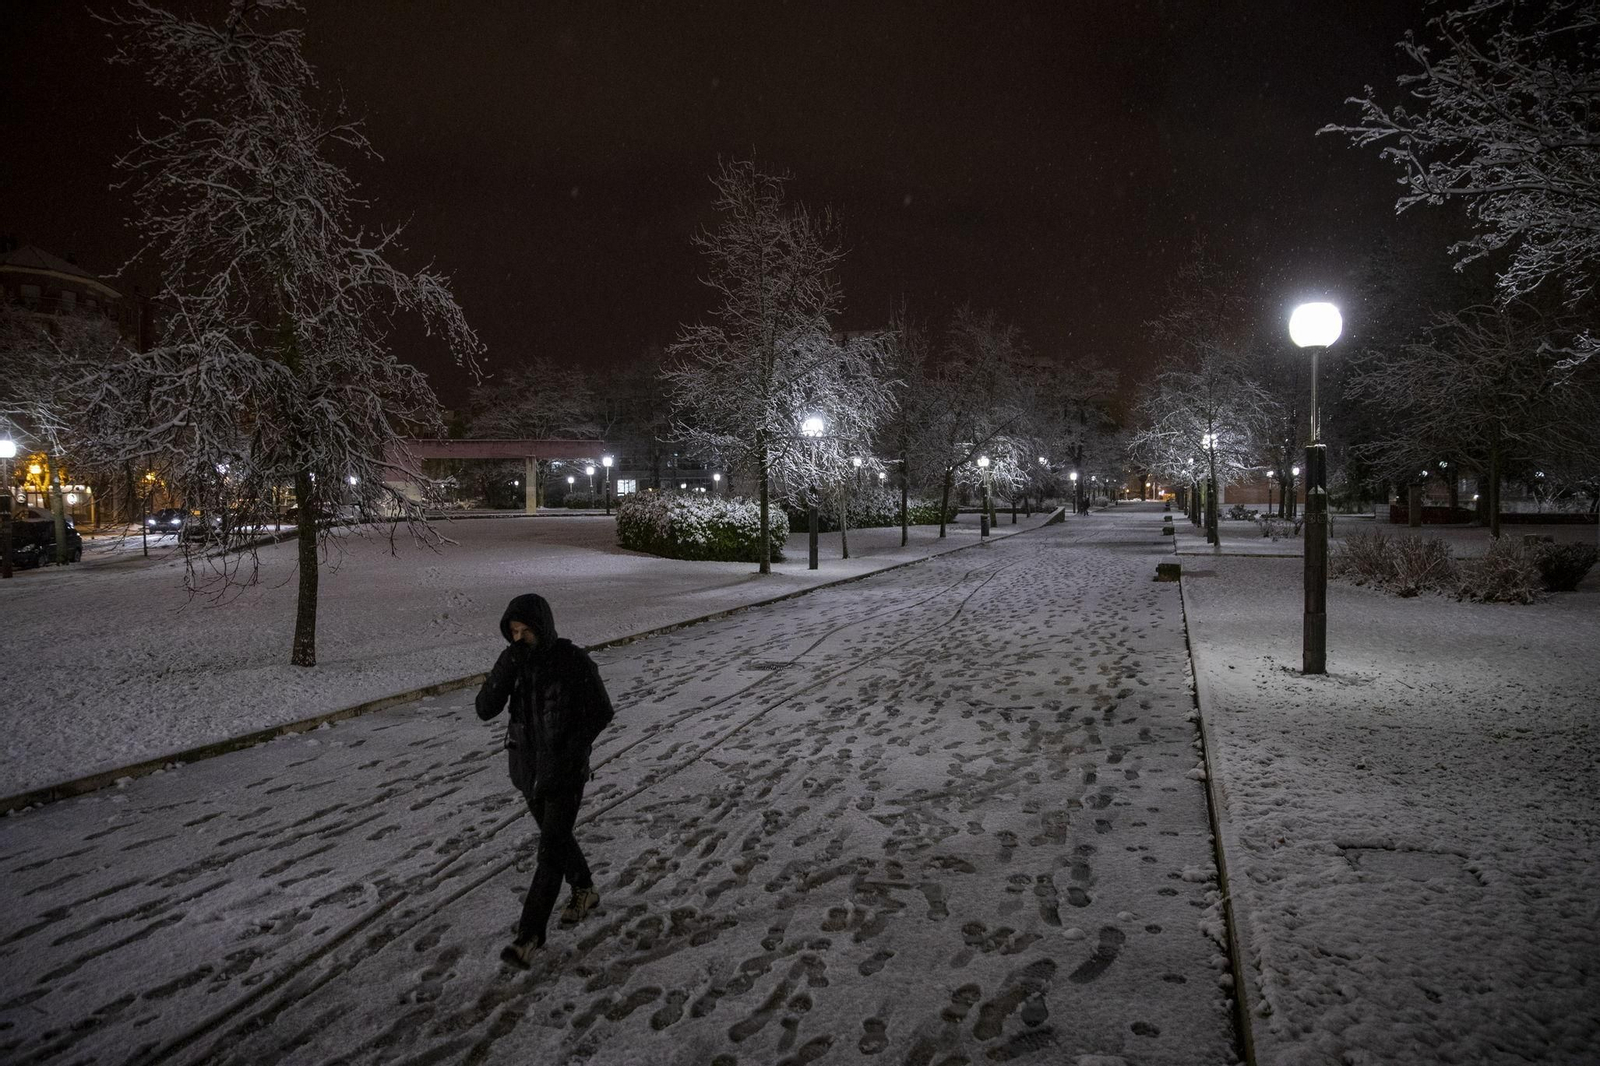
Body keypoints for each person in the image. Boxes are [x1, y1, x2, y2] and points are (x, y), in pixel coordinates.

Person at [475, 592, 615, 968]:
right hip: (527, 770)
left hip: (564, 772)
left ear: (543, 627)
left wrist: (571, 750)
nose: (519, 638)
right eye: (513, 631)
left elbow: (602, 711)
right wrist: (505, 667)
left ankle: (529, 937)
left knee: (550, 851)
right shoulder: (513, 661)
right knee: (558, 838)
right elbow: (485, 709)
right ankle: (584, 888)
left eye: (525, 630)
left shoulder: (572, 660)